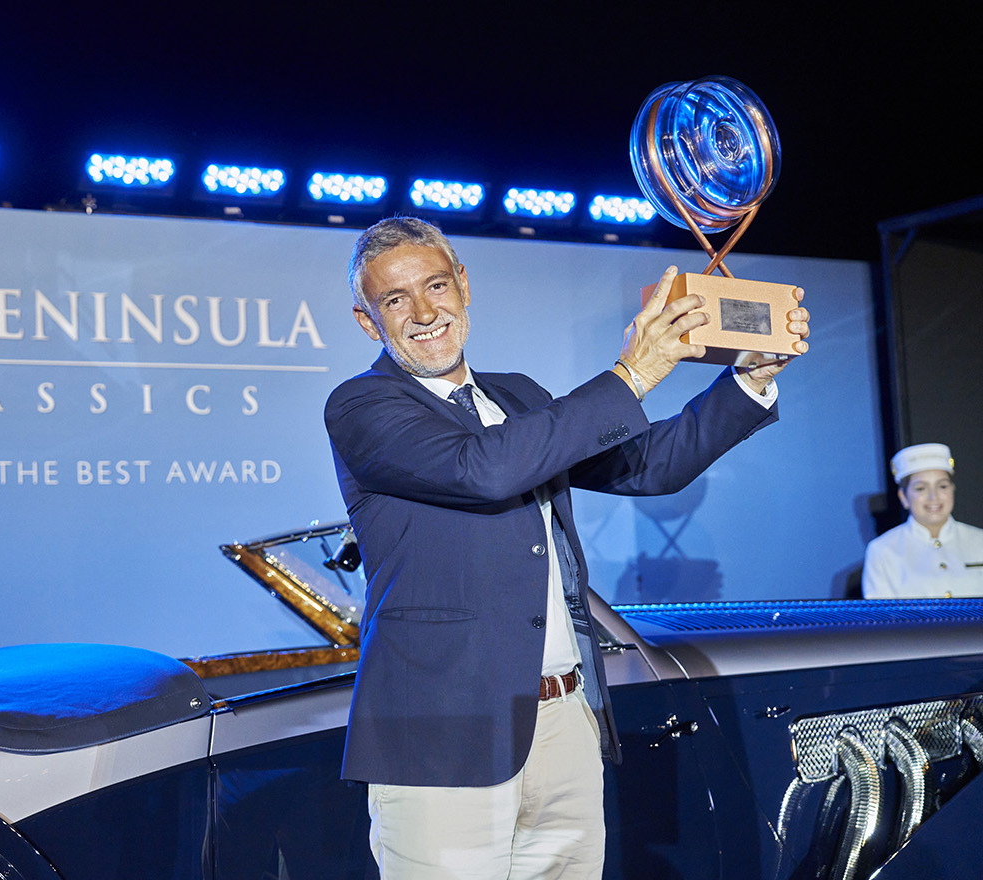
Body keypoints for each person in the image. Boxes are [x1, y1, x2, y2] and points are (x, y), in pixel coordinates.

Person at [323, 216, 809, 880]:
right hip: (444, 738)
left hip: (564, 722)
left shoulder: (519, 395)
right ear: (366, 320)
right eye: (395, 300)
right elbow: (485, 469)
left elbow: (645, 467)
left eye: (436, 285)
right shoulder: (362, 406)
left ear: (463, 284)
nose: (424, 312)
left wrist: (747, 382)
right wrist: (630, 375)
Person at [862, 443, 983, 598]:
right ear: (904, 497)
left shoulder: (979, 541)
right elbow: (881, 619)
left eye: (943, 486)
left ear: (953, 490)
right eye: (921, 488)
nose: (934, 497)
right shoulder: (883, 551)